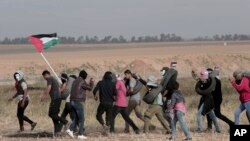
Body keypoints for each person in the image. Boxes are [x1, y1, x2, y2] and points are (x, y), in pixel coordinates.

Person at [66, 70, 95, 140]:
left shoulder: (75, 81)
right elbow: (90, 88)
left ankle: (70, 130)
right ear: (84, 76)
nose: (86, 77)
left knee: (76, 117)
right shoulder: (82, 81)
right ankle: (80, 134)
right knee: (82, 119)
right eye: (86, 76)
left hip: (72, 101)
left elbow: (84, 86)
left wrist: (89, 83)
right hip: (78, 101)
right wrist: (92, 83)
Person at [42, 70, 68, 135]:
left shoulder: (50, 79)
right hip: (57, 98)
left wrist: (44, 96)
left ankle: (65, 122)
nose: (44, 78)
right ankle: (57, 130)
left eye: (44, 76)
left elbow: (49, 87)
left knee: (51, 114)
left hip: (55, 99)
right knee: (54, 114)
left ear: (46, 75)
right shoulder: (53, 79)